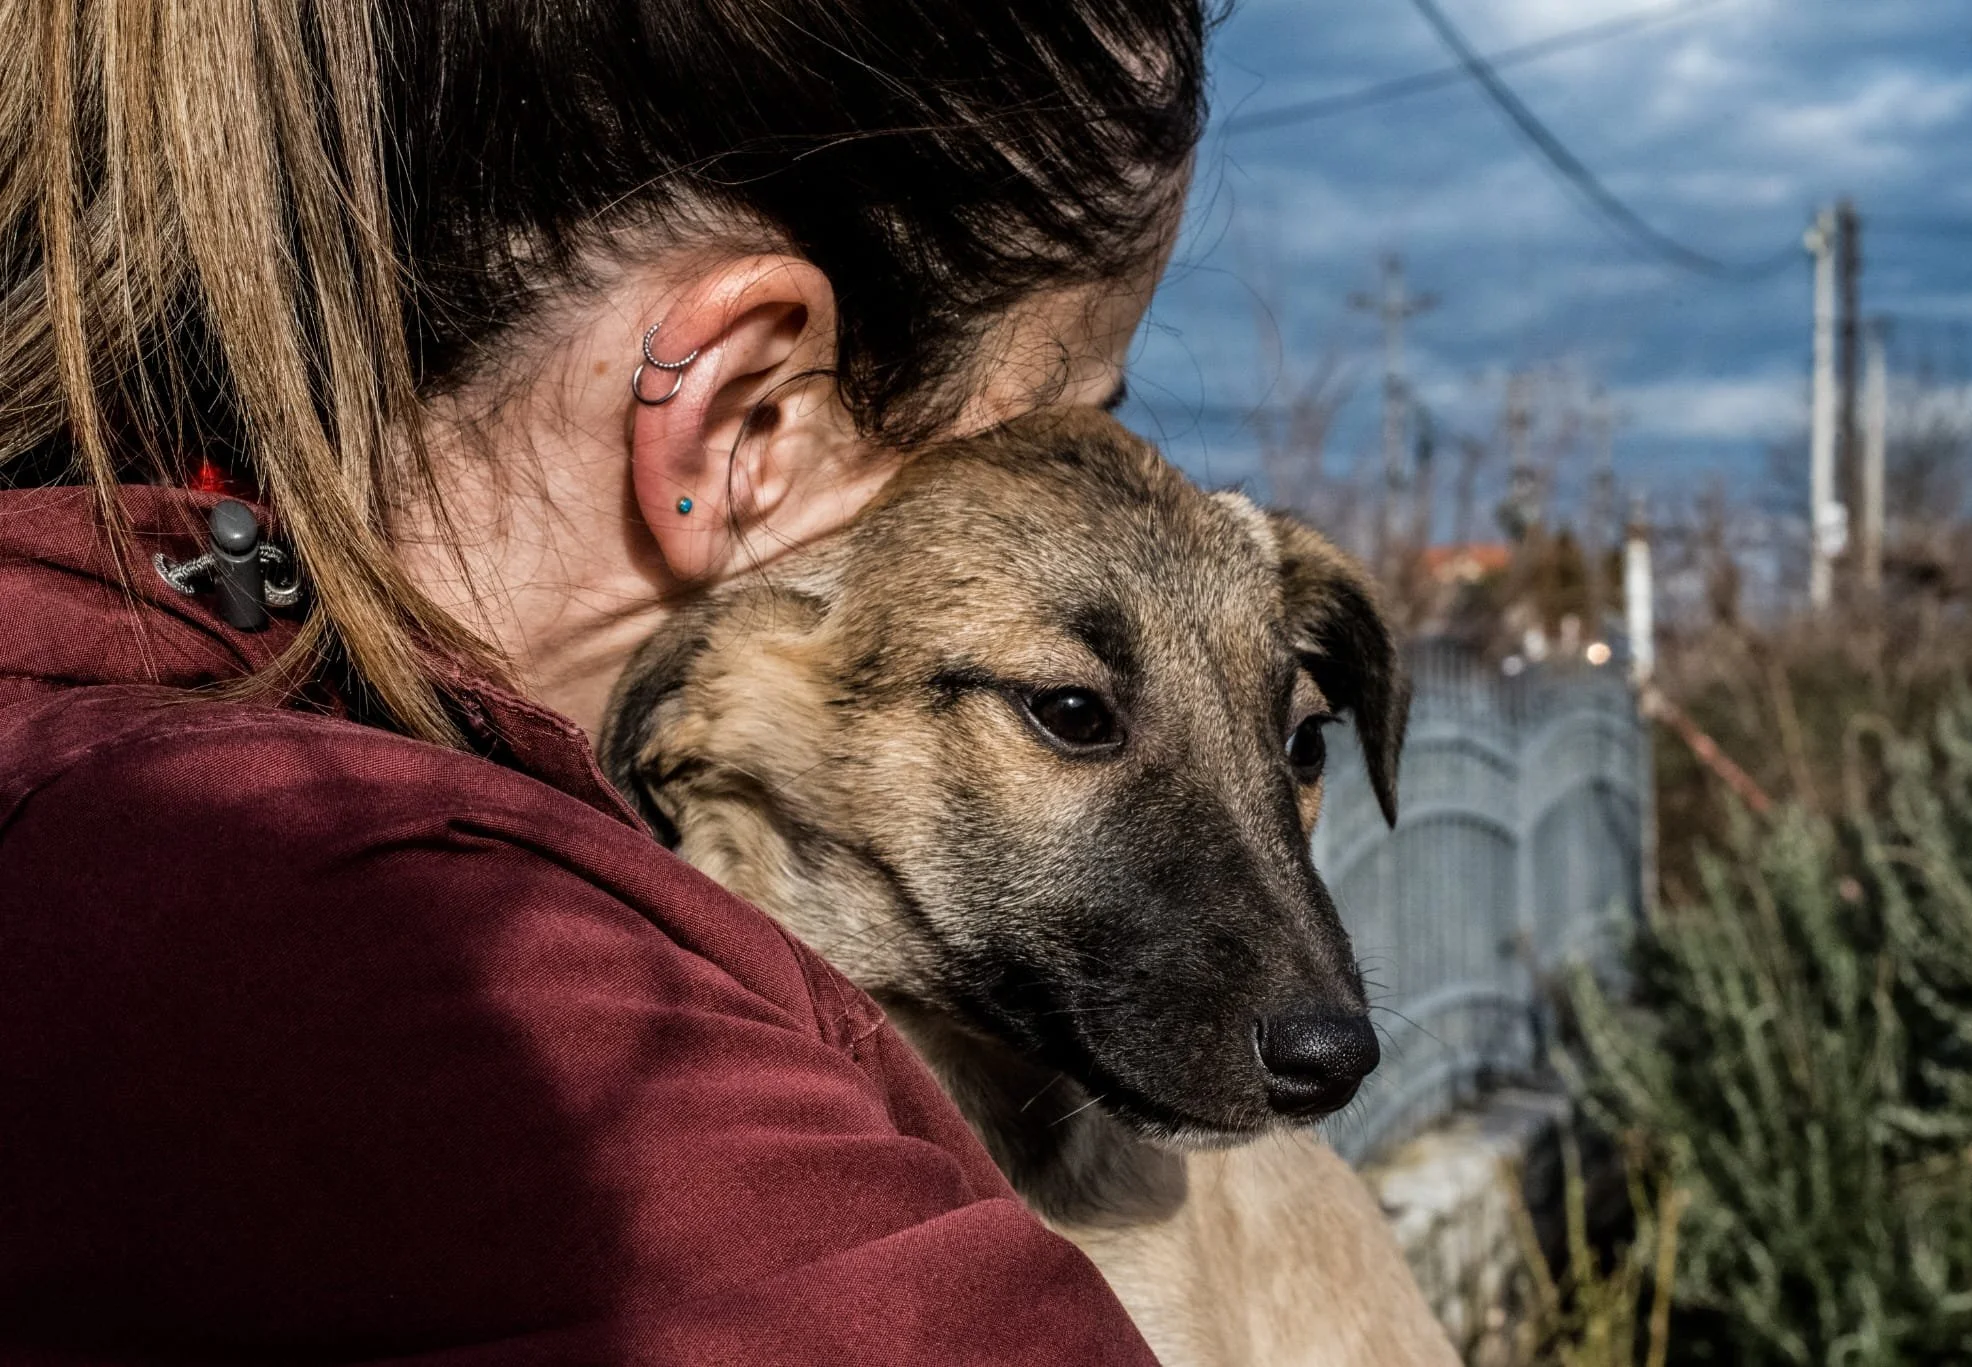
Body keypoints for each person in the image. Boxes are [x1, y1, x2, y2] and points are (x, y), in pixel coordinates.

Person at [0, 1, 1453, 1362]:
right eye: (1055, 430)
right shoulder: (499, 1026)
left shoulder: (89, 649)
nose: (1099, 484)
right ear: (747, 415)